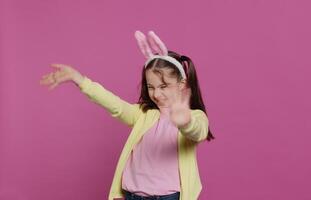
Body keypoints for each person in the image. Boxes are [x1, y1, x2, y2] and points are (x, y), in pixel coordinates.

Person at [40, 30, 214, 200]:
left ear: (182, 84)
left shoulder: (195, 116)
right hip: (131, 195)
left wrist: (185, 122)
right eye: (151, 87)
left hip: (168, 197)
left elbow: (198, 131)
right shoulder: (144, 114)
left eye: (163, 86)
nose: (156, 94)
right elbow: (116, 106)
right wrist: (80, 80)